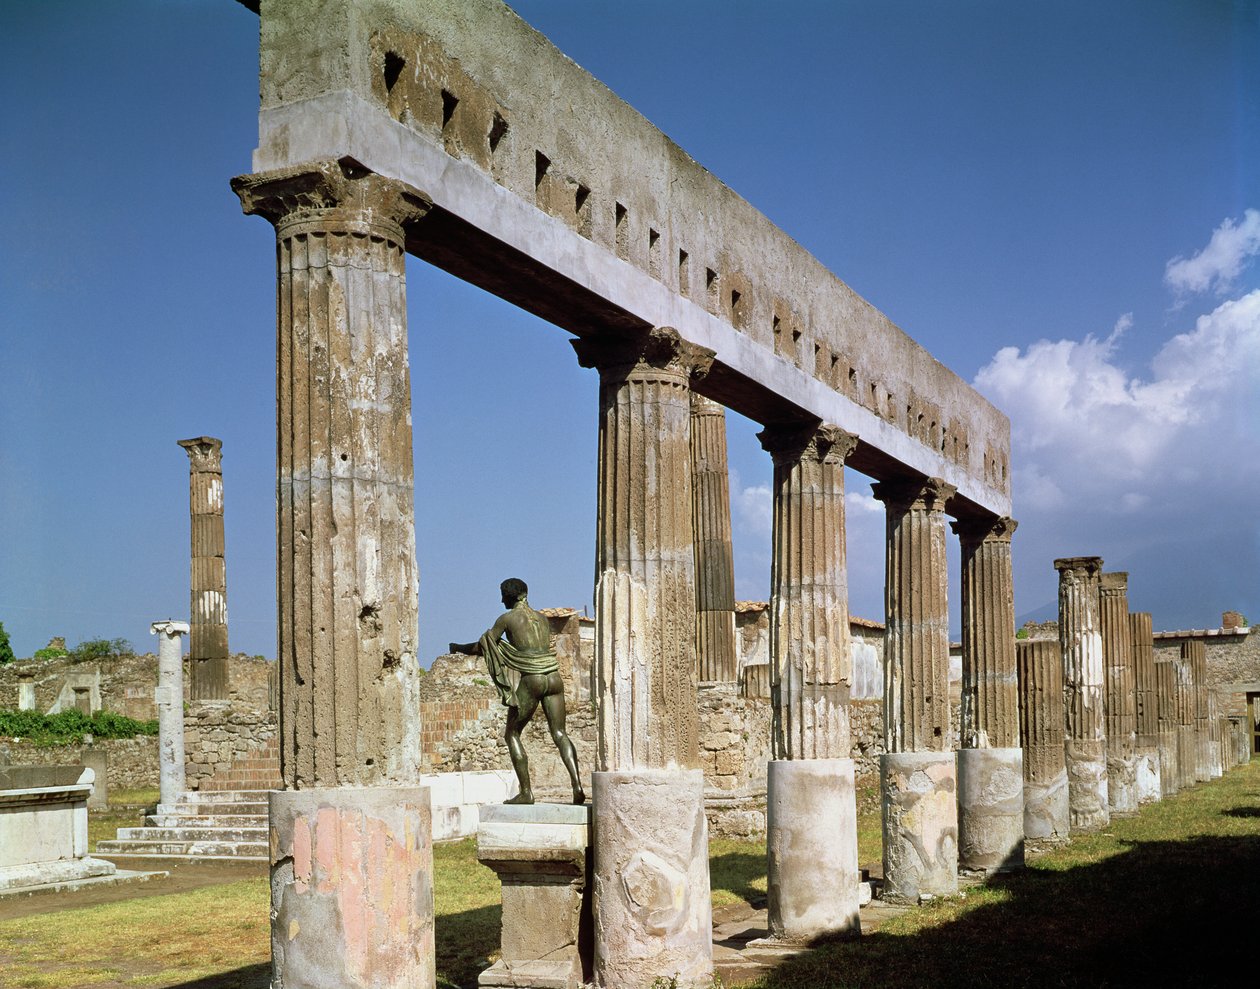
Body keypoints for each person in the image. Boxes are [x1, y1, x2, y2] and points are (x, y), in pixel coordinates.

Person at [450, 578, 585, 805]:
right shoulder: (542, 619)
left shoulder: (507, 618)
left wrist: (458, 648)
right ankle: (577, 785)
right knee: (560, 733)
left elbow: (485, 647)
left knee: (511, 734)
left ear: (509, 596)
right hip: (554, 677)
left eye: (502, 595)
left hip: (532, 679)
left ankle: (526, 792)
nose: (501, 599)